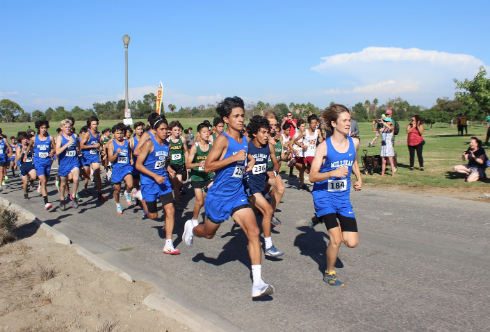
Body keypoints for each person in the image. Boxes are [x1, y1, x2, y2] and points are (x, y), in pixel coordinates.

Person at [182, 96, 275, 298]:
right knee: (208, 233)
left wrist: (249, 161)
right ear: (226, 119)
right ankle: (191, 227)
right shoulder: (223, 139)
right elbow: (208, 166)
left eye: (242, 115)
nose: (241, 119)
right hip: (218, 197)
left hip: (237, 195)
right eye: (236, 116)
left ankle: (257, 283)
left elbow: (247, 154)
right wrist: (233, 158)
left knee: (253, 230)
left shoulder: (245, 139)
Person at [309, 104, 362, 287]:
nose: (349, 123)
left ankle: (322, 217)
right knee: (336, 239)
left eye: (349, 120)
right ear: (334, 123)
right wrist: (332, 173)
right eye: (345, 120)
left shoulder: (354, 143)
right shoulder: (323, 147)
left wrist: (359, 178)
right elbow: (312, 176)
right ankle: (329, 271)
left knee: (352, 242)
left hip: (343, 198)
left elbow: (353, 160)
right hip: (324, 196)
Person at [135, 115, 179, 255]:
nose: (166, 132)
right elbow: (138, 165)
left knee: (170, 210)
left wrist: (168, 169)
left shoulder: (167, 145)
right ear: (155, 130)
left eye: (167, 129)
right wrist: (154, 176)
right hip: (149, 182)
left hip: (163, 182)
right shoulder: (149, 143)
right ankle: (140, 196)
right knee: (153, 216)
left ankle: (168, 244)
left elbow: (162, 161)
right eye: (162, 129)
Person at [244, 115, 284, 257]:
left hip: (260, 186)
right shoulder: (247, 147)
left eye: (268, 132)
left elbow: (277, 163)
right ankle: (268, 246)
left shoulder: (270, 147)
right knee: (267, 210)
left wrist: (273, 171)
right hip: (248, 186)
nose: (267, 135)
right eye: (263, 132)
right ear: (254, 133)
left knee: (251, 216)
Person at [185, 123, 214, 226]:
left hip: (208, 175)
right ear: (199, 133)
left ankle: (210, 216)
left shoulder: (211, 145)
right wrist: (198, 164)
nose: (207, 134)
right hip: (197, 176)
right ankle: (194, 219)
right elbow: (188, 165)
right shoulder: (195, 147)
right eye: (204, 132)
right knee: (200, 202)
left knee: (214, 192)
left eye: (208, 132)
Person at [28, 120, 55, 209]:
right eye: (42, 128)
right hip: (38, 163)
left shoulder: (50, 138)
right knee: (43, 181)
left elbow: (54, 148)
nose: (44, 129)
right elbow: (29, 147)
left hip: (47, 162)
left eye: (45, 128)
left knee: (45, 182)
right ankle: (46, 203)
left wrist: (52, 152)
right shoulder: (34, 139)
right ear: (39, 129)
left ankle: (40, 185)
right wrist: (26, 156)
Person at [108, 123, 134, 214]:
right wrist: (117, 154)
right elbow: (110, 159)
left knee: (130, 185)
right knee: (117, 190)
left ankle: (127, 192)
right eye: (118, 133)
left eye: (121, 133)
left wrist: (130, 158)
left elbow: (130, 151)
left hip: (126, 167)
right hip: (116, 169)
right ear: (114, 134)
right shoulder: (111, 144)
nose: (120, 135)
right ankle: (118, 204)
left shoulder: (127, 142)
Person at [56, 119, 81, 210]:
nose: (67, 129)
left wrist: (79, 150)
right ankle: (62, 198)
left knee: (76, 178)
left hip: (74, 162)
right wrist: (68, 144)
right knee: (63, 183)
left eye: (69, 127)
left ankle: (74, 196)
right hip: (64, 163)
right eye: (65, 127)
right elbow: (57, 151)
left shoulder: (74, 136)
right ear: (62, 128)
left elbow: (78, 143)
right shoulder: (60, 138)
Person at [80, 116, 105, 200]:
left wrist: (102, 150)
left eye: (96, 124)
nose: (95, 125)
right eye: (93, 124)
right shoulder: (88, 134)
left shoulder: (98, 134)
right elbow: (81, 146)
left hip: (94, 156)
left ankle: (99, 193)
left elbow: (100, 144)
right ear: (90, 125)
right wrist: (93, 146)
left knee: (97, 172)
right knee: (86, 175)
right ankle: (85, 185)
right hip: (86, 156)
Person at [168, 121, 188, 208]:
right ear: (171, 131)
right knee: (175, 184)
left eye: (178, 130)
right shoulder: (167, 141)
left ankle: (176, 194)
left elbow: (186, 151)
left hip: (180, 164)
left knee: (179, 183)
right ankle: (177, 202)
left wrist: (187, 161)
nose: (177, 132)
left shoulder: (182, 139)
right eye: (175, 130)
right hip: (171, 165)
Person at [15, 132, 37, 200]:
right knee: (25, 183)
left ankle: (31, 181)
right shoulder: (19, 147)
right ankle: (25, 193)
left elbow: (34, 152)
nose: (25, 140)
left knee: (34, 176)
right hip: (23, 166)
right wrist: (22, 152)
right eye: (24, 139)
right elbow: (17, 158)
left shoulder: (30, 146)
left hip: (30, 164)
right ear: (21, 140)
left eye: (26, 139)